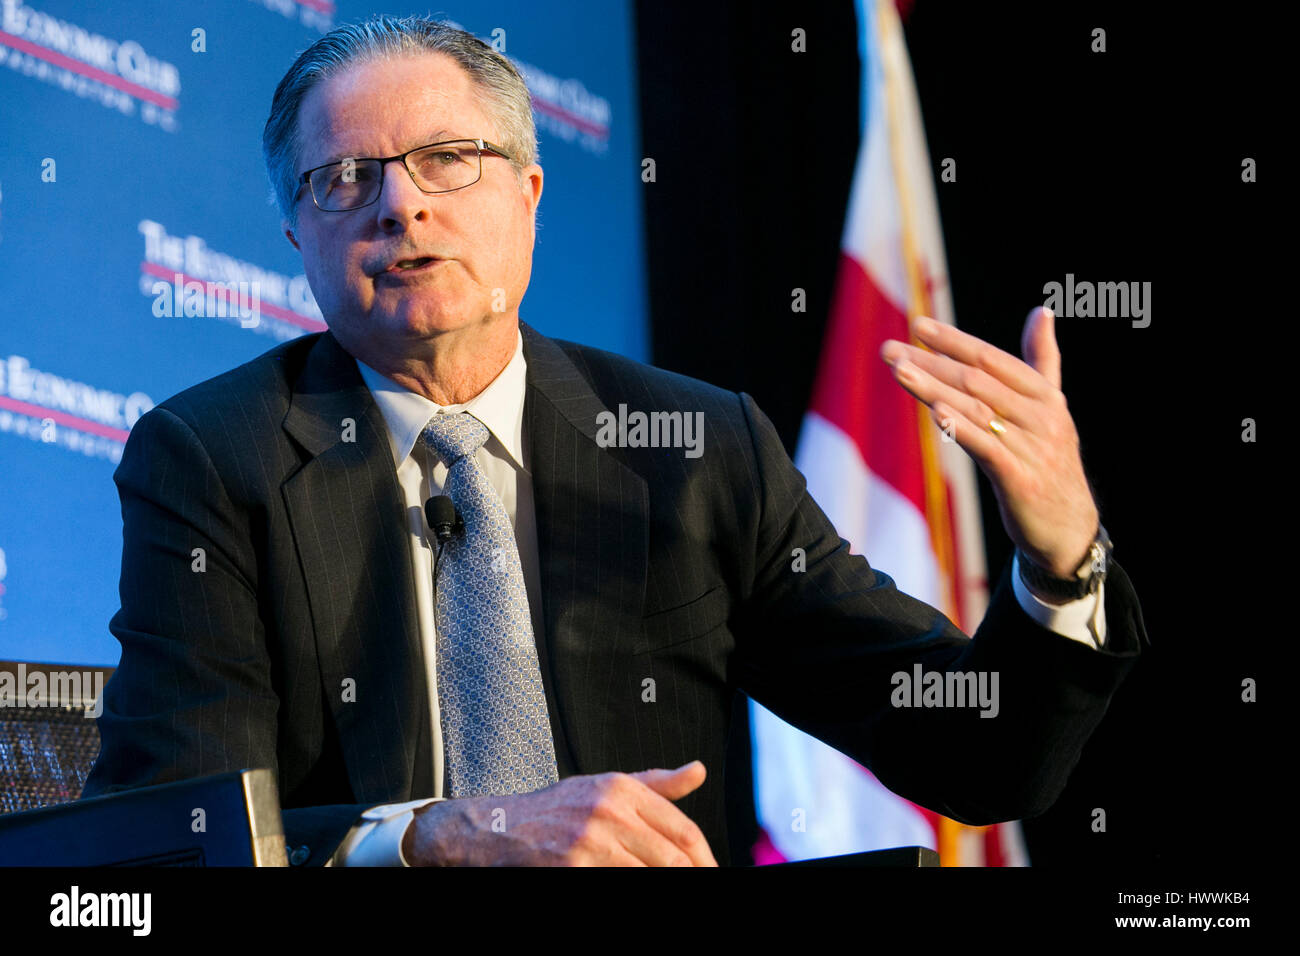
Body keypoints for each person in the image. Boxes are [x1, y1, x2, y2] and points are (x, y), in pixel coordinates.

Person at [82, 16, 1148, 867]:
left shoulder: (693, 448)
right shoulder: (213, 458)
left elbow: (976, 753)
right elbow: (173, 836)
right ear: (295, 236)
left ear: (528, 194)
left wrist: (1060, 564)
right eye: (345, 178)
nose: (399, 206)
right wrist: (435, 836)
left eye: (449, 159)